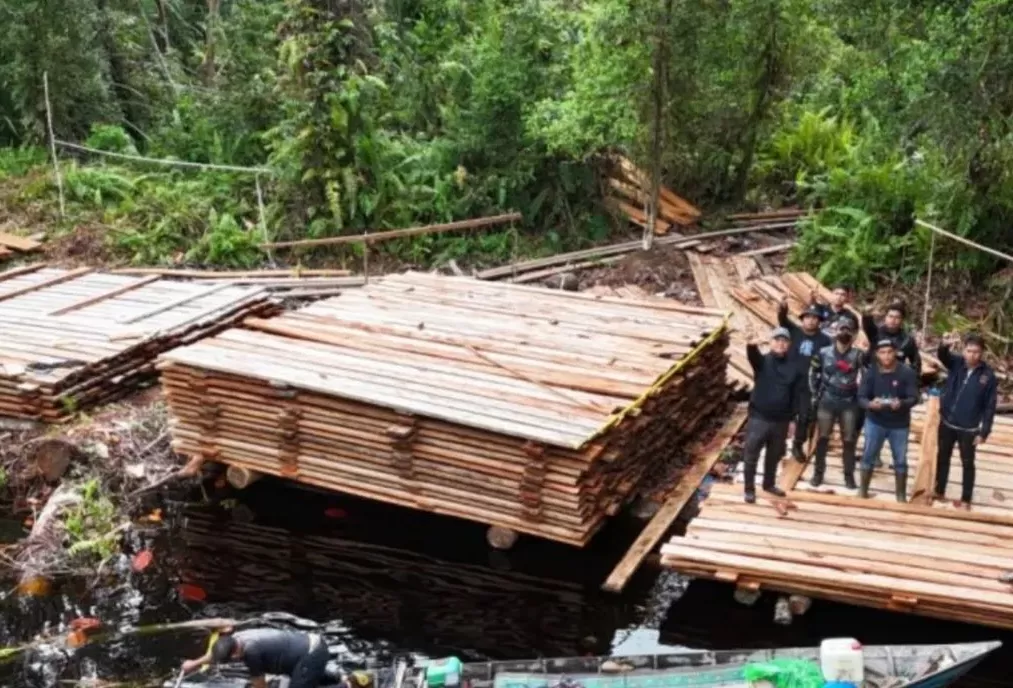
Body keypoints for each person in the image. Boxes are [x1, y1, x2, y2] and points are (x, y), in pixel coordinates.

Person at [934, 334, 998, 509]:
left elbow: (989, 407)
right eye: (969, 351)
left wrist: (984, 431)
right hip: (947, 422)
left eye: (976, 352)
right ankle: (939, 491)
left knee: (968, 463)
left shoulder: (988, 376)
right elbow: (942, 356)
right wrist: (944, 345)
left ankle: (966, 499)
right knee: (942, 458)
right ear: (963, 351)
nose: (972, 355)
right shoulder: (956, 364)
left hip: (969, 428)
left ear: (982, 353)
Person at [742, 327, 805, 503]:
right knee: (751, 455)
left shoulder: (795, 368)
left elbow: (796, 396)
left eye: (784, 341)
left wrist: (793, 420)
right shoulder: (762, 362)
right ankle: (749, 489)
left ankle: (768, 484)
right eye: (777, 340)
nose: (780, 343)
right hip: (759, 418)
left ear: (789, 345)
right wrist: (751, 344)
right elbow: (753, 356)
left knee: (774, 455)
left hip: (782, 420)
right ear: (771, 343)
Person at [808, 315, 866, 489]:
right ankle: (818, 473)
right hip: (827, 400)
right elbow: (813, 373)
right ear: (835, 332)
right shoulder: (823, 352)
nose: (844, 332)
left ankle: (849, 475)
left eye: (848, 329)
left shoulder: (858, 355)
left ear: (854, 334)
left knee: (849, 440)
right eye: (841, 329)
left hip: (849, 402)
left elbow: (867, 376)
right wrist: (814, 394)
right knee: (823, 438)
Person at [858, 340, 919, 502]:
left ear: (895, 353)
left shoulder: (907, 372)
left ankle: (900, 496)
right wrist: (870, 404)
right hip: (875, 421)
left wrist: (902, 403)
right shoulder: (871, 372)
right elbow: (861, 396)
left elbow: (914, 398)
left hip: (899, 424)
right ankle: (862, 491)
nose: (886, 356)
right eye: (882, 352)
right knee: (868, 456)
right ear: (877, 354)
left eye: (889, 352)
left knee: (900, 460)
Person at [182, 628, 330, 688]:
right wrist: (194, 663)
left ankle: (346, 685)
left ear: (234, 654)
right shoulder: (235, 639)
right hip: (306, 648)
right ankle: (334, 678)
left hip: (311, 653)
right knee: (307, 676)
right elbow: (215, 655)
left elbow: (260, 684)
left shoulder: (251, 651)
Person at [777, 300, 832, 461]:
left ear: (820, 321)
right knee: (781, 412)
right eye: (808, 317)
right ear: (803, 319)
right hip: (789, 381)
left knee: (805, 416)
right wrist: (782, 310)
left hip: (808, 384)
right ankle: (778, 443)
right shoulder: (793, 331)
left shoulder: (825, 340)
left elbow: (828, 360)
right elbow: (782, 320)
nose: (811, 320)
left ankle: (797, 444)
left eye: (815, 318)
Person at [861, 301, 921, 375]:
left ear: (902, 320)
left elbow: (916, 363)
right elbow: (867, 324)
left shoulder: (907, 340)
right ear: (885, 317)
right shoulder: (875, 333)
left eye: (897, 317)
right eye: (890, 316)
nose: (893, 320)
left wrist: (912, 382)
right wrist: (866, 313)